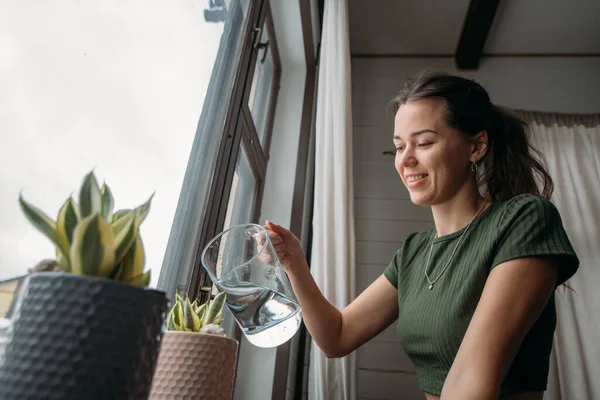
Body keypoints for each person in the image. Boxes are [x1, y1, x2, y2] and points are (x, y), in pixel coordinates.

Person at [263, 71, 579, 400]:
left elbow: (473, 380)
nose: (407, 159)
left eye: (424, 143)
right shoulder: (414, 252)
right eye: (400, 147)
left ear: (476, 146)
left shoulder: (524, 219)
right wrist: (294, 262)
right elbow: (337, 337)